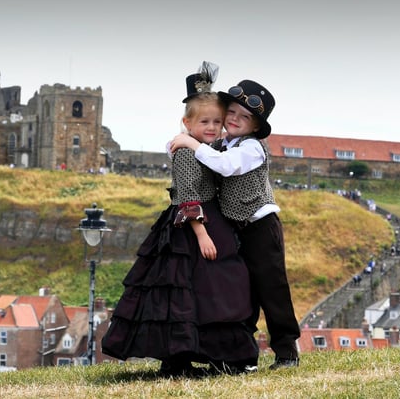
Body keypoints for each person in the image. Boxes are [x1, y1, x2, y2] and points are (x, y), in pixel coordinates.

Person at [101, 63, 258, 377]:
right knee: (190, 291)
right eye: (204, 121)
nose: (212, 127)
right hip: (192, 224)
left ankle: (216, 354)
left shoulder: (204, 147)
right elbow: (187, 194)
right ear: (187, 122)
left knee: (219, 286)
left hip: (213, 219)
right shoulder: (187, 152)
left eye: (217, 121)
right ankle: (182, 357)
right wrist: (201, 233)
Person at [170, 79, 300, 370]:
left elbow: (225, 165)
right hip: (234, 229)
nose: (235, 120)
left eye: (245, 117)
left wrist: (191, 142)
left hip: (260, 227)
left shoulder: (253, 148)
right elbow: (191, 152)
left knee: (272, 289)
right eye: (232, 113)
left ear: (255, 126)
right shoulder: (221, 144)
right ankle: (240, 353)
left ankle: (287, 351)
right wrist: (186, 141)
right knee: (241, 292)